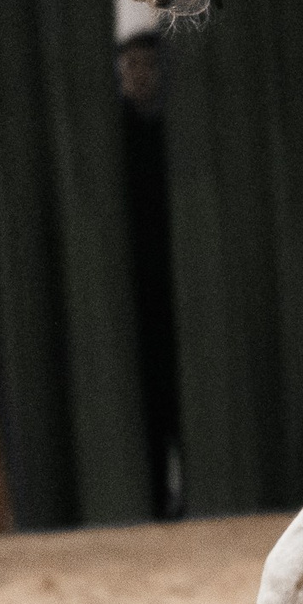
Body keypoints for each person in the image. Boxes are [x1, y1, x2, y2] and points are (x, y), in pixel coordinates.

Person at [116, 31, 186, 519]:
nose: (139, 78)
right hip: (137, 289)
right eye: (130, 69)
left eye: (147, 67)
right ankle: (153, 502)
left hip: (178, 291)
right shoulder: (113, 138)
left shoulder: (182, 137)